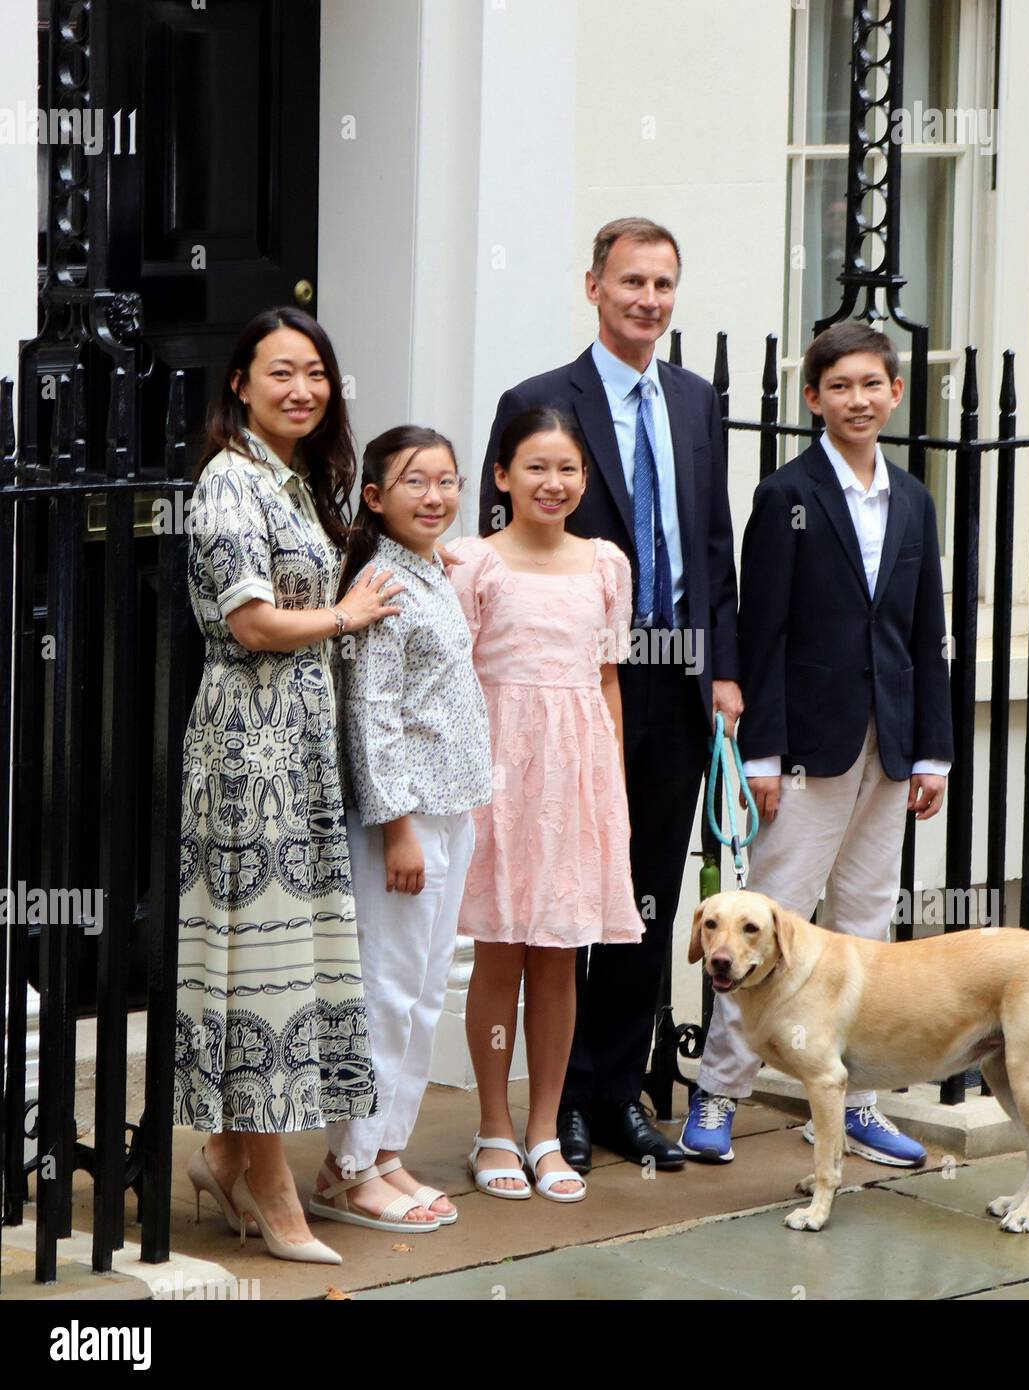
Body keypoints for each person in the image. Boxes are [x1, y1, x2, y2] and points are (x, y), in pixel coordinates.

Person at [479, 217, 741, 1173]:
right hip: (569, 687)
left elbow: (713, 545)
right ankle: (561, 1108)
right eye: (631, 282)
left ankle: (620, 1091)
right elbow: (497, 549)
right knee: (561, 896)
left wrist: (724, 670)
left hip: (674, 681)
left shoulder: (698, 400)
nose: (649, 301)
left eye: (664, 285)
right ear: (593, 285)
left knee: (645, 899)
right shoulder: (540, 400)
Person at [680, 321, 953, 1167]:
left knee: (867, 925)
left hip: (893, 743)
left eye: (873, 385)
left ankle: (855, 1101)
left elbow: (927, 630)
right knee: (763, 921)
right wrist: (761, 753)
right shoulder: (784, 495)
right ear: (813, 398)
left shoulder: (912, 498)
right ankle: (718, 1092)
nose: (858, 400)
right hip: (804, 749)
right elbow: (760, 632)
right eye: (840, 387)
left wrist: (933, 750)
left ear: (897, 393)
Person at [176, 307, 405, 1264]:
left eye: (315, 372)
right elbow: (254, 625)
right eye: (281, 372)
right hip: (249, 749)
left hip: (300, 746)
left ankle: (230, 1156)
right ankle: (271, 1190)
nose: (302, 389)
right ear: (240, 383)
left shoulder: (296, 478)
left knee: (293, 961)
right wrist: (349, 614)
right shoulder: (230, 483)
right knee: (262, 969)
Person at [451, 408, 643, 1202]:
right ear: (502, 476)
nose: (552, 483)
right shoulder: (471, 563)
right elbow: (454, 680)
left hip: (578, 777)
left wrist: (614, 783)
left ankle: (544, 1128)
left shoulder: (605, 564)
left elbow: (607, 679)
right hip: (497, 774)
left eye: (567, 469)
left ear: (586, 480)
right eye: (535, 467)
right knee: (500, 950)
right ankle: (493, 1128)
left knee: (561, 954)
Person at [309, 426, 492, 1233]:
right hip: (404, 824)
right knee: (385, 994)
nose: (437, 496)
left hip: (451, 813)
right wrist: (398, 829)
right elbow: (372, 717)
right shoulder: (383, 581)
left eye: (448, 481)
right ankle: (347, 1168)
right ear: (377, 499)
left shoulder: (434, 572)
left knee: (422, 997)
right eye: (416, 482)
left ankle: (386, 1152)